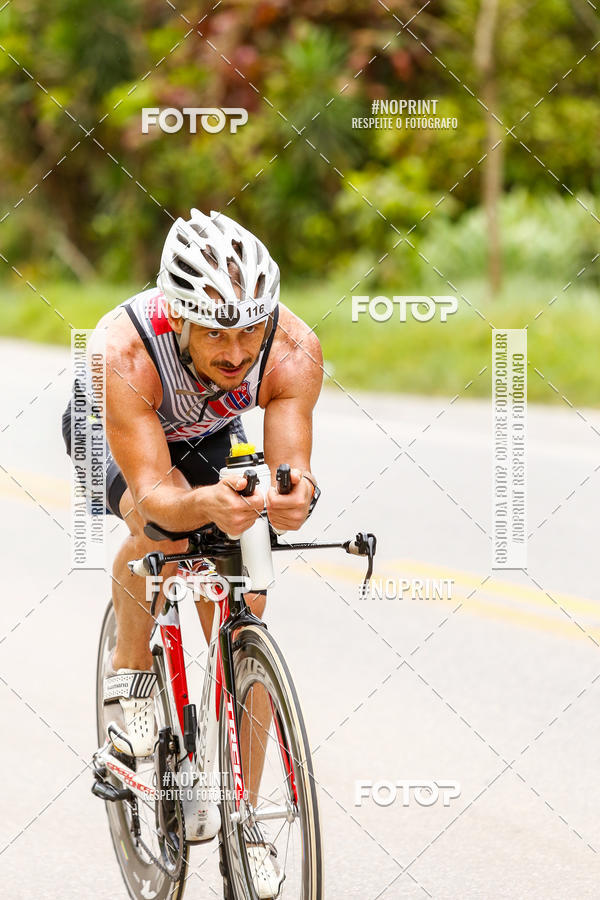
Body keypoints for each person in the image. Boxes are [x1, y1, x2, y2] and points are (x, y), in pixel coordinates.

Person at [62, 208, 323, 897]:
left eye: (249, 330)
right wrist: (201, 506)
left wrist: (292, 495)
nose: (237, 351)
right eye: (215, 331)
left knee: (251, 594)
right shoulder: (120, 351)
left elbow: (288, 469)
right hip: (118, 424)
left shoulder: (293, 347)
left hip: (207, 429)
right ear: (178, 317)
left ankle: (250, 818)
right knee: (165, 536)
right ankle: (129, 692)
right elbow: (153, 492)